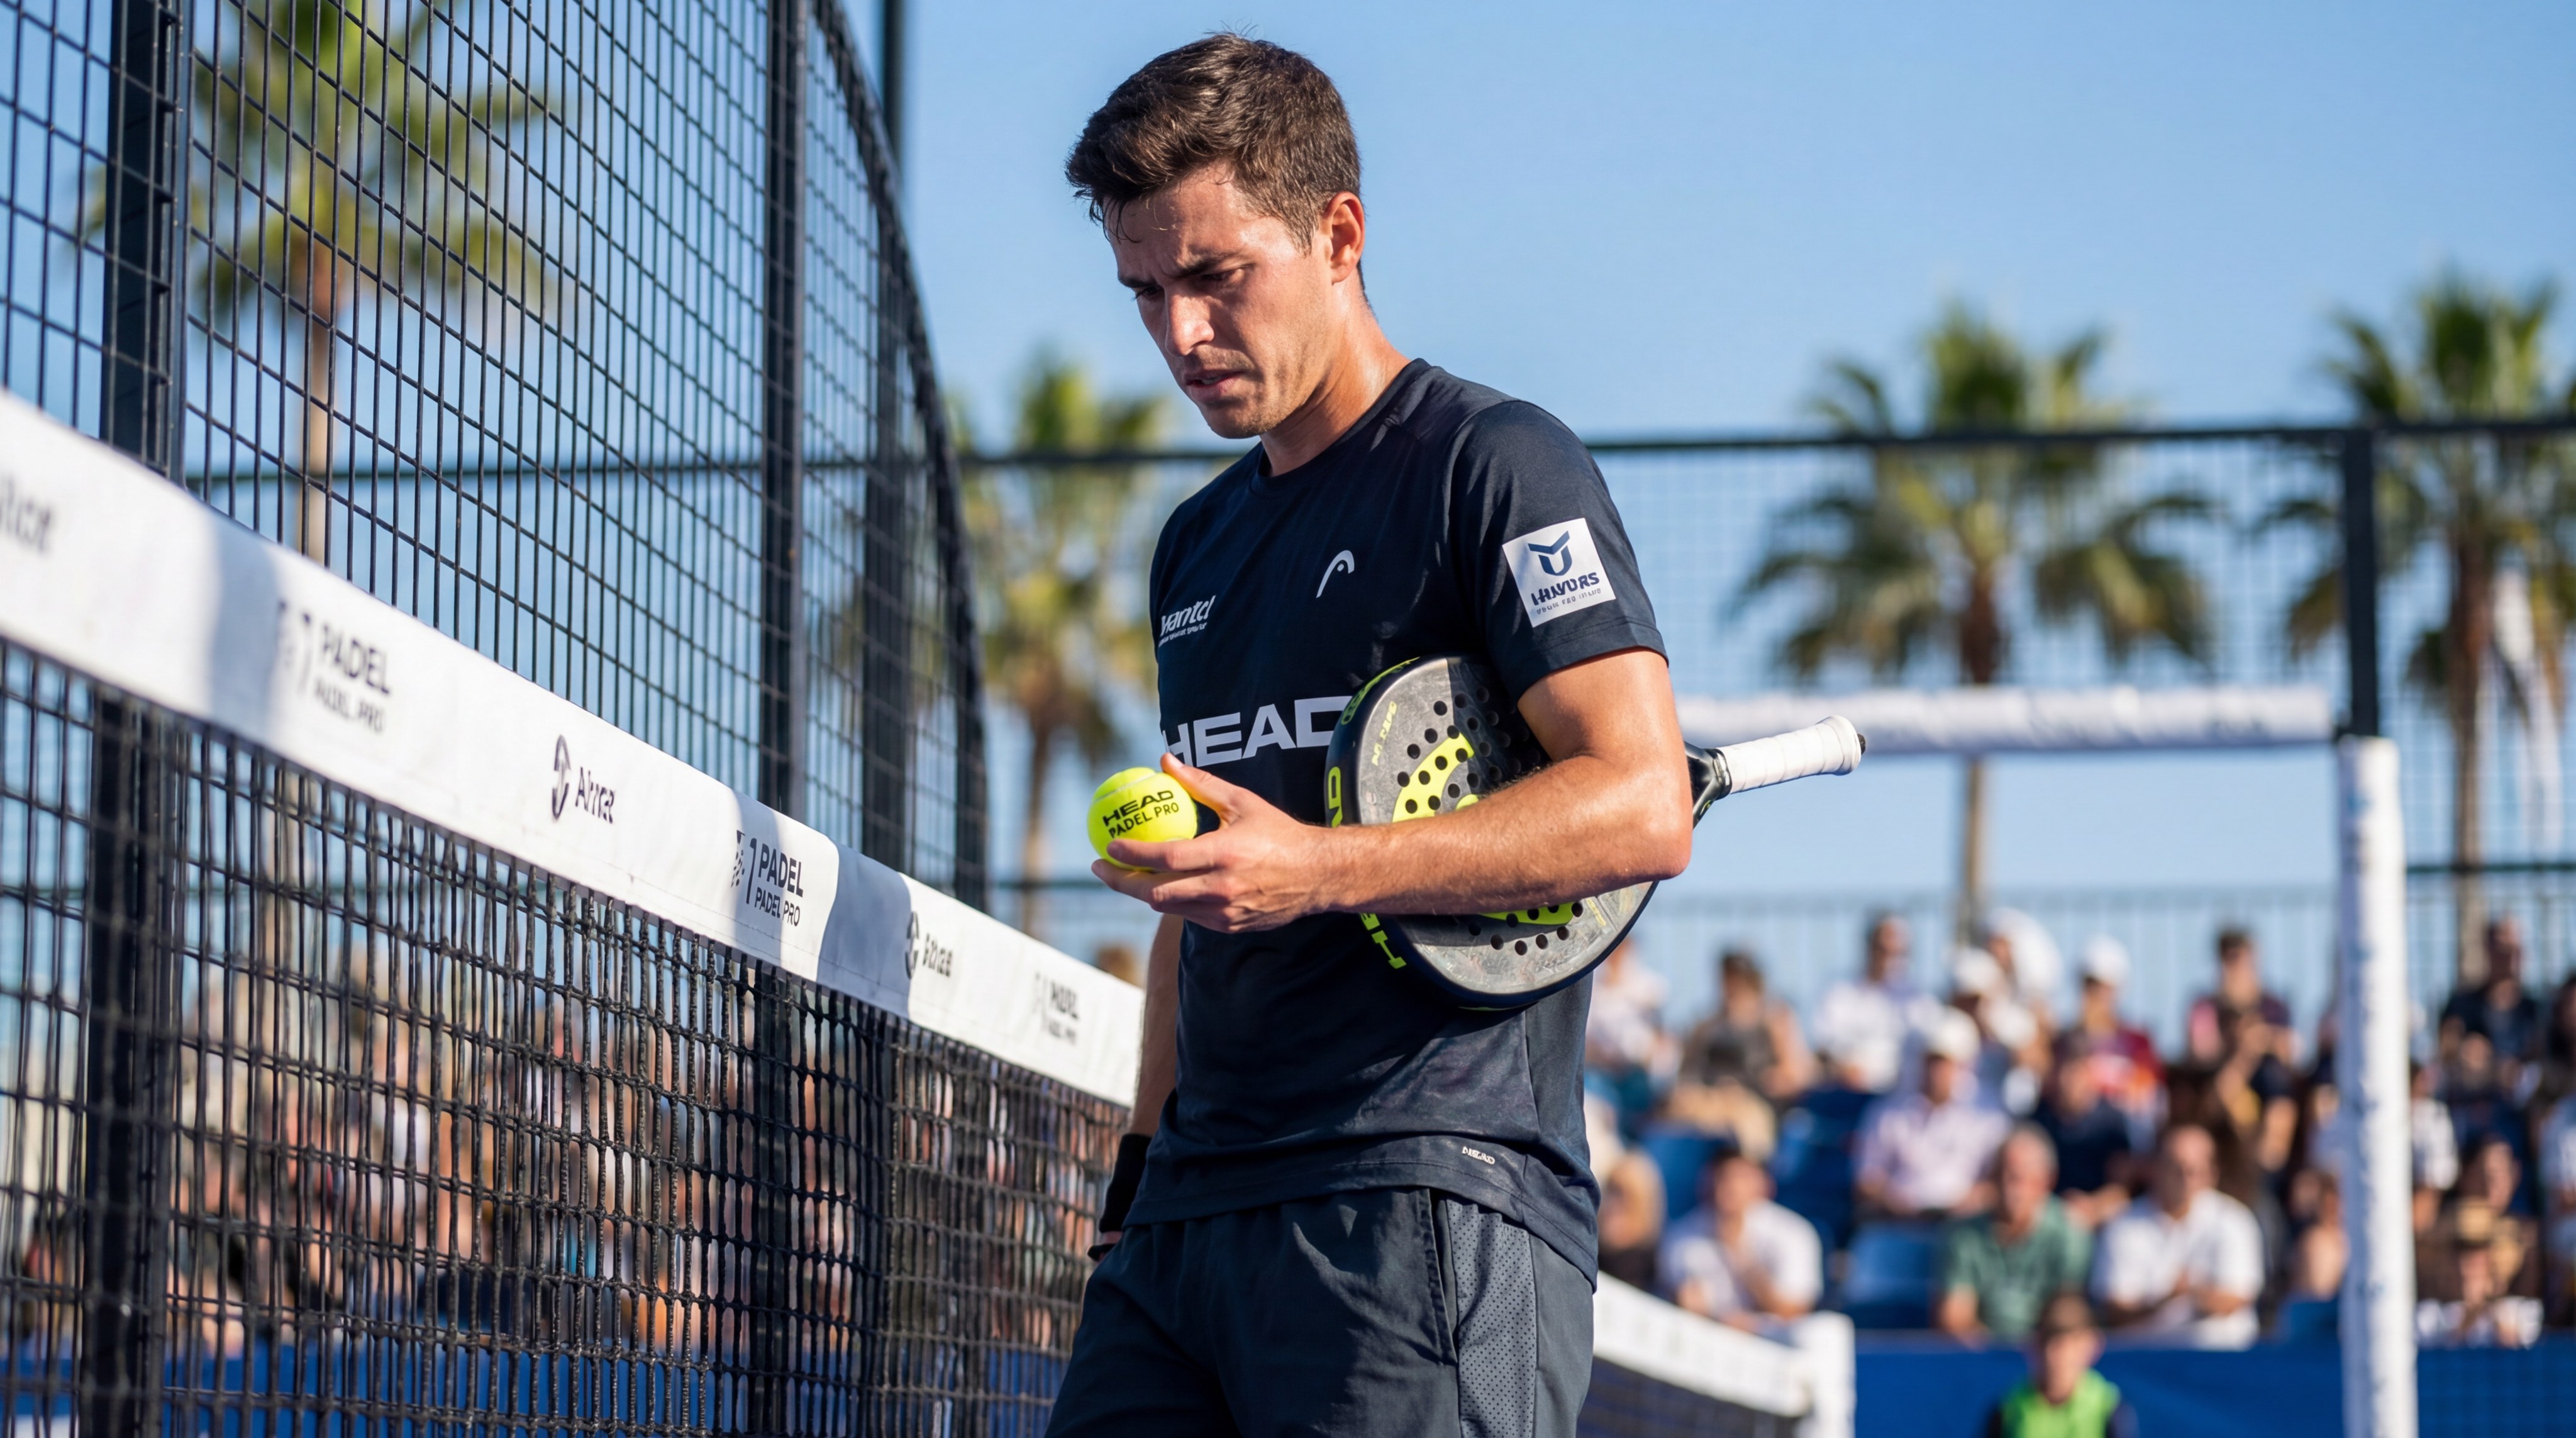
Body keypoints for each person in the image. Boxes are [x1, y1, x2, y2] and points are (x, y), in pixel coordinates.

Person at [1050, 37, 1695, 1436]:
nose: (1179, 333)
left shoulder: (1494, 465)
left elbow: (1644, 800)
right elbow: (1206, 903)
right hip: (1183, 1228)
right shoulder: (1195, 544)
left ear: (1338, 235)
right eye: (1145, 291)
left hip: (1425, 1199)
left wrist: (1317, 869)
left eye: (1216, 276)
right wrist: (1134, 1186)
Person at [2091, 1125, 2265, 1348]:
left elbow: (2239, 1296)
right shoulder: (2122, 1226)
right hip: (2144, 1356)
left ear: (2212, 1173)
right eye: (2175, 1168)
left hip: (2221, 1354)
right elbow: (2115, 1310)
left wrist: (2191, 1293)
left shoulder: (2234, 1221)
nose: (2185, 1179)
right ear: (2154, 1168)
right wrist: (2166, 1300)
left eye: (2194, 1170)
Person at [1936, 1126, 2095, 1342]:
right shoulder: (1963, 1236)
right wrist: (1994, 1352)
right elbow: (1955, 1317)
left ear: (2046, 1181)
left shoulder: (2070, 1234)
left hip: (2046, 1351)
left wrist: (2038, 1351)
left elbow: (2067, 1311)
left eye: (2017, 1178)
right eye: (2000, 1175)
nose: (2008, 1189)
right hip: (1982, 1353)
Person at [1855, 1010, 2011, 1221]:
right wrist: (1897, 1204)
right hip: (1897, 1225)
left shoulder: (1989, 1116)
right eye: (1932, 1061)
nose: (1937, 1071)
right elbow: (1867, 1180)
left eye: (1946, 1063)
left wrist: (1969, 1203)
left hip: (1964, 1229)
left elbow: (1998, 1181)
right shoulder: (1887, 1113)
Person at [1658, 1147, 1823, 1334]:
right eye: (1723, 1176)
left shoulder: (1794, 1233)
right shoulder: (1681, 1235)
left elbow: (1795, 1312)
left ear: (1765, 1185)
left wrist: (1741, 1258)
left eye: (1742, 1177)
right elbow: (1672, 1298)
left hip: (1770, 1341)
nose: (1731, 1186)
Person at [1980, 1295, 2138, 1438]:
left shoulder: (2109, 1408)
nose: (2054, 1356)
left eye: (2069, 1345)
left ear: (2092, 1345)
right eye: (2047, 1341)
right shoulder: (2008, 1409)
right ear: (2033, 1344)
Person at [1811, 913, 1934, 1093]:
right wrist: (1844, 1067)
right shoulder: (1839, 991)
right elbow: (1824, 1046)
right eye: (1883, 950)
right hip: (1847, 1091)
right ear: (1869, 947)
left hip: (1900, 1093)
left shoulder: (1917, 999)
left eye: (1899, 953)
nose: (1890, 959)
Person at [1676, 947, 1813, 1103]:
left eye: (1740, 979)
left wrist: (1757, 1083)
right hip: (1709, 1102)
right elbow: (1686, 1076)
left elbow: (1797, 1074)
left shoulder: (1776, 1019)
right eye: (1728, 977)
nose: (1733, 985)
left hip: (1757, 1103)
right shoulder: (1706, 1027)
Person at [2055, 937, 2163, 1122]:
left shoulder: (2138, 1041)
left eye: (2103, 988)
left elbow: (2147, 1094)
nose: (2095, 995)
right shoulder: (2065, 1041)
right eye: (2090, 986)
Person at [2414, 1201, 2543, 1349]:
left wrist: (2492, 1304)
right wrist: (2468, 1318)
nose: (2465, 1266)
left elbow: (2516, 1352)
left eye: (2477, 1254)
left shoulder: (2520, 1311)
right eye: (2460, 1251)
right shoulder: (2428, 1316)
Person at [2036, 1051, 2136, 1227]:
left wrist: (2091, 1207)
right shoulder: (2038, 1119)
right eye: (2060, 1069)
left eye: (2074, 1071)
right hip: (2046, 1218)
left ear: (2088, 1074)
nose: (2065, 1080)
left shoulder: (2111, 1121)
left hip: (2096, 1221)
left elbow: (2122, 1189)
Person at [1586, 939, 1673, 1132]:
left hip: (1640, 1075)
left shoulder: (1651, 987)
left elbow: (1662, 1036)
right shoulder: (1593, 989)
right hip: (1602, 1075)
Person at [2439, 917, 2542, 1078]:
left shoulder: (2536, 1010)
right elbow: (2446, 1051)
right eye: (2503, 949)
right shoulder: (2462, 1005)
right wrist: (2466, 1051)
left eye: (2516, 949)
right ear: (2488, 950)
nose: (2510, 957)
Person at [2184, 925, 2294, 1066]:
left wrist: (2263, 1038)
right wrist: (2241, 1046)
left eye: (2243, 958)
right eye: (2231, 958)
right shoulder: (2205, 1008)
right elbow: (2202, 1054)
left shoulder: (2275, 1007)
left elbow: (2291, 1052)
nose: (2238, 967)